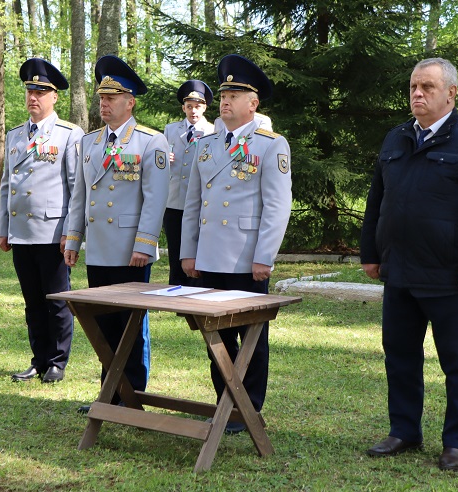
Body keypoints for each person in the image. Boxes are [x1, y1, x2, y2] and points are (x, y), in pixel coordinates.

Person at [361, 58, 458, 471]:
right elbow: (377, 201)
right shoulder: (396, 138)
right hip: (400, 272)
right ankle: (404, 430)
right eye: (413, 86)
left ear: (451, 93)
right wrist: (370, 252)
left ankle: (457, 442)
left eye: (427, 87)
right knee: (399, 356)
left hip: (450, 276)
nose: (417, 93)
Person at [180, 54, 292, 434]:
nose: (225, 101)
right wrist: (189, 252)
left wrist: (265, 257)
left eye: (234, 95)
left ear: (253, 104)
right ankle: (224, 402)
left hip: (247, 259)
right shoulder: (206, 145)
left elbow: (277, 206)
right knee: (218, 338)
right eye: (224, 95)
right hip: (210, 257)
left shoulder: (270, 145)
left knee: (251, 339)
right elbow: (193, 204)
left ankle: (248, 407)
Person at [64, 55, 169, 413]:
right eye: (102, 98)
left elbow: (155, 200)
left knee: (130, 325)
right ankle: (109, 391)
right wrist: (73, 238)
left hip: (129, 249)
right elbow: (80, 195)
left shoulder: (150, 142)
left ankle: (132, 394)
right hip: (98, 248)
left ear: (130, 102)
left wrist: (145, 243)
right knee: (104, 324)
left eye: (112, 98)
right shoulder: (89, 142)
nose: (104, 104)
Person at [0, 58, 82, 384]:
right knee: (32, 303)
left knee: (57, 301)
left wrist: (71, 233)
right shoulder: (15, 135)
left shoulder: (69, 135)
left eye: (41, 92)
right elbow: (7, 184)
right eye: (30, 91)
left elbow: (76, 188)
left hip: (52, 232)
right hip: (21, 232)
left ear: (54, 97)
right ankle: (39, 359)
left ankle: (58, 361)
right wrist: (3, 229)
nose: (33, 97)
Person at [163, 80, 214, 286]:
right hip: (174, 201)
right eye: (189, 106)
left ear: (205, 108)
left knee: (197, 254)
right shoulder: (170, 130)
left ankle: (196, 290)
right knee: (175, 252)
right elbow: (160, 161)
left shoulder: (212, 131)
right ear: (183, 107)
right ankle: (175, 289)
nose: (193, 111)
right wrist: (163, 159)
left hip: (199, 202)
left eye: (198, 106)